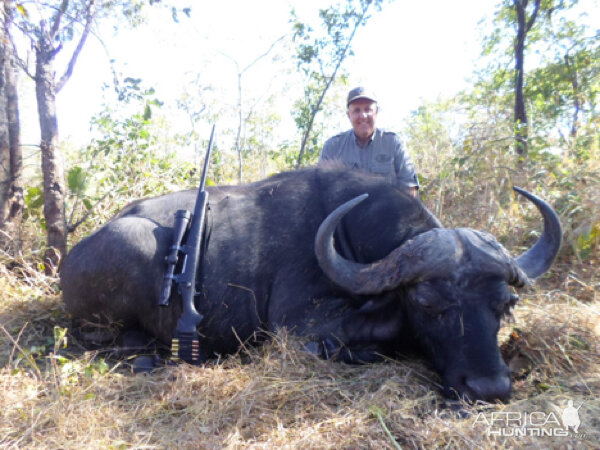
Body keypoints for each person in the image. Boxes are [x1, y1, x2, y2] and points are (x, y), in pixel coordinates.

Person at [318, 86, 419, 196]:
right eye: (357, 110)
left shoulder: (394, 143)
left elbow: (410, 190)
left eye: (368, 109)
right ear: (348, 115)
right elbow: (319, 191)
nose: (363, 116)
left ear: (376, 112)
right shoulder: (332, 147)